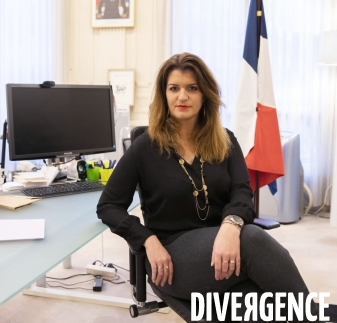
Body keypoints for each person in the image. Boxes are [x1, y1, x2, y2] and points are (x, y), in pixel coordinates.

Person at [97, 53, 317, 322]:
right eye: (174, 88)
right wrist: (147, 239)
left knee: (268, 302)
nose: (182, 96)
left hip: (225, 250)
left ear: (205, 95)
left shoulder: (225, 141)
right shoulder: (146, 147)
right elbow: (108, 206)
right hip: (173, 256)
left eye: (192, 88)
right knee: (253, 240)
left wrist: (230, 226)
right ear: (164, 95)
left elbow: (242, 192)